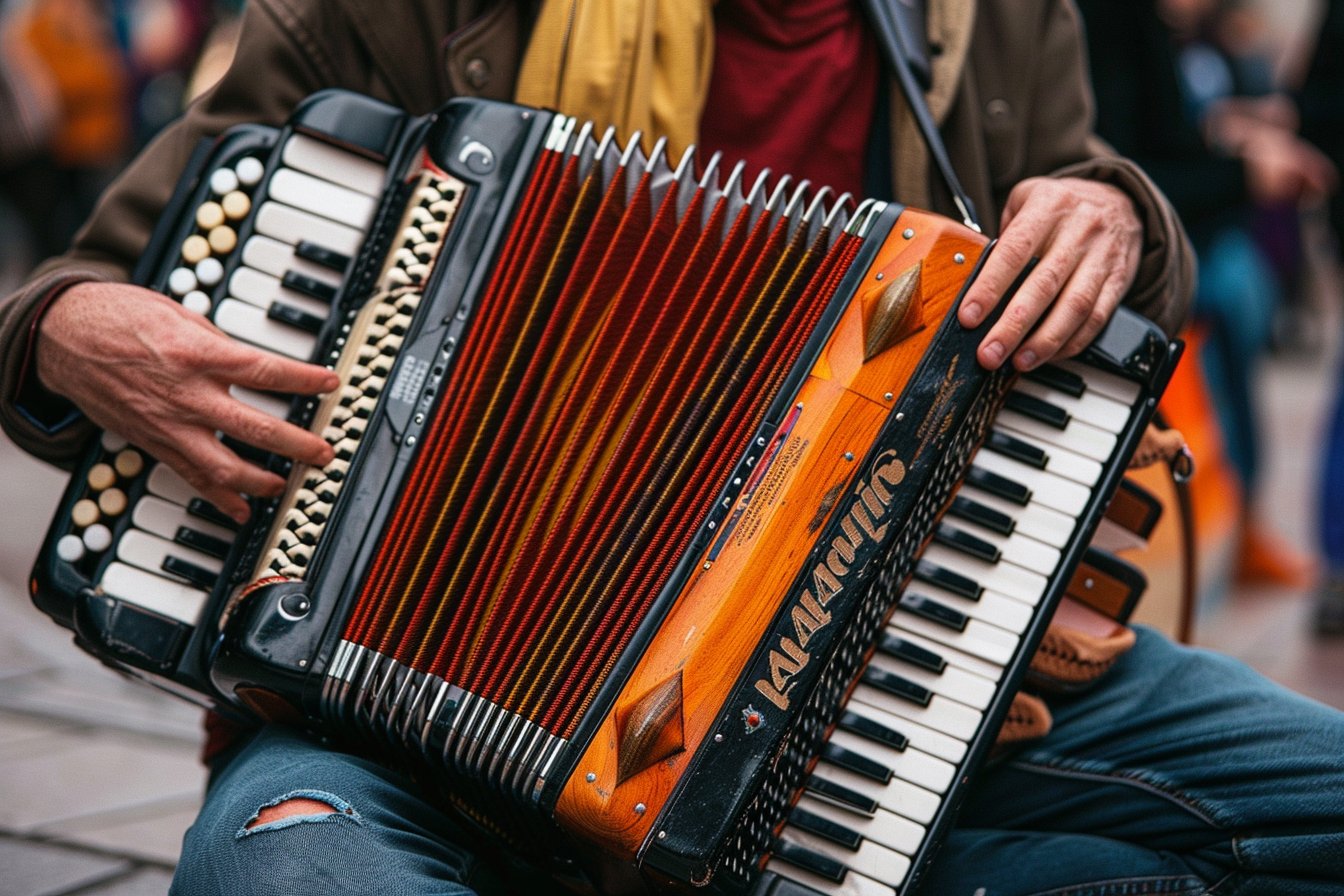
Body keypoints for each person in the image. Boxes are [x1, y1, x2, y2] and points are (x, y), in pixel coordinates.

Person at [0, 1, 1341, 893]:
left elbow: (1089, 219)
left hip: (883, 671)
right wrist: (64, 327)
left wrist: (1118, 218)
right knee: (281, 878)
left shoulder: (979, 12)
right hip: (396, 733)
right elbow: (83, 285)